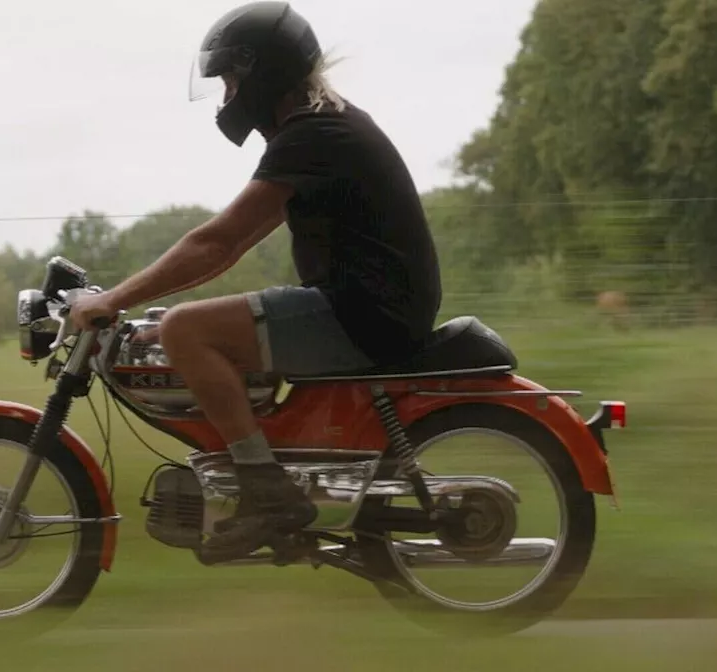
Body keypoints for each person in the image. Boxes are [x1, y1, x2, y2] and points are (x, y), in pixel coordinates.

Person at [68, 1, 443, 562]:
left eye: (231, 80)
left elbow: (217, 243)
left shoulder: (315, 133)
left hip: (364, 316)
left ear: (264, 72)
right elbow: (229, 247)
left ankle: (265, 492)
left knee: (188, 332)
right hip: (371, 308)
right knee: (178, 331)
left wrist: (115, 300)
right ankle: (265, 474)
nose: (226, 97)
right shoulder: (321, 127)